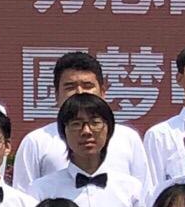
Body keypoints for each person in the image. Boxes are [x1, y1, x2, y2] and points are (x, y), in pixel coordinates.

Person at [22, 93, 150, 207]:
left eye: (95, 122)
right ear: (63, 132)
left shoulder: (131, 188)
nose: (87, 131)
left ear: (108, 129)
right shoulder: (41, 190)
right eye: (76, 124)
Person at [10, 53, 150, 192]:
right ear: (57, 95)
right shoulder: (36, 141)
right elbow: (24, 198)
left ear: (103, 92)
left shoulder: (128, 138)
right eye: (70, 87)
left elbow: (145, 195)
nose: (80, 92)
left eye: (87, 85)